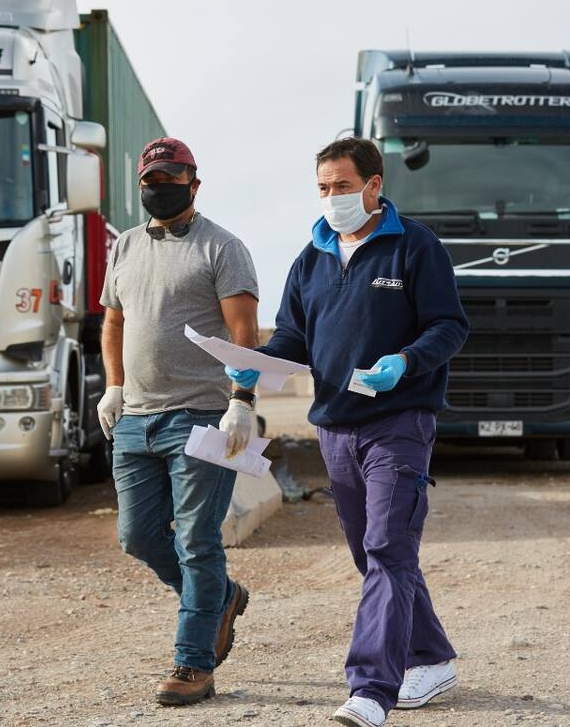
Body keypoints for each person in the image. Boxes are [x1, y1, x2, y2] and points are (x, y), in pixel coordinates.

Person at [227, 137, 470, 727]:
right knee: (374, 553)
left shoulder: (415, 247)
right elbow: (293, 337)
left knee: (388, 547)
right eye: (323, 188)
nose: (331, 197)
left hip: (399, 422)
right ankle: (432, 657)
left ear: (374, 185)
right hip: (336, 428)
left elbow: (449, 326)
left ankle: (371, 690)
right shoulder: (310, 258)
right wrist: (259, 362)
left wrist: (405, 362)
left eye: (342, 186)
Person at [97, 137, 259, 706]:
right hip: (135, 420)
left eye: (171, 178)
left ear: (194, 182)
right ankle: (221, 598)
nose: (160, 187)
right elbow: (113, 322)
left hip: (204, 415)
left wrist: (243, 399)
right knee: (137, 536)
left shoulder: (223, 247)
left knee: (196, 540)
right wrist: (114, 386)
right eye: (151, 180)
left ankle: (194, 665)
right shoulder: (126, 246)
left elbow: (244, 332)